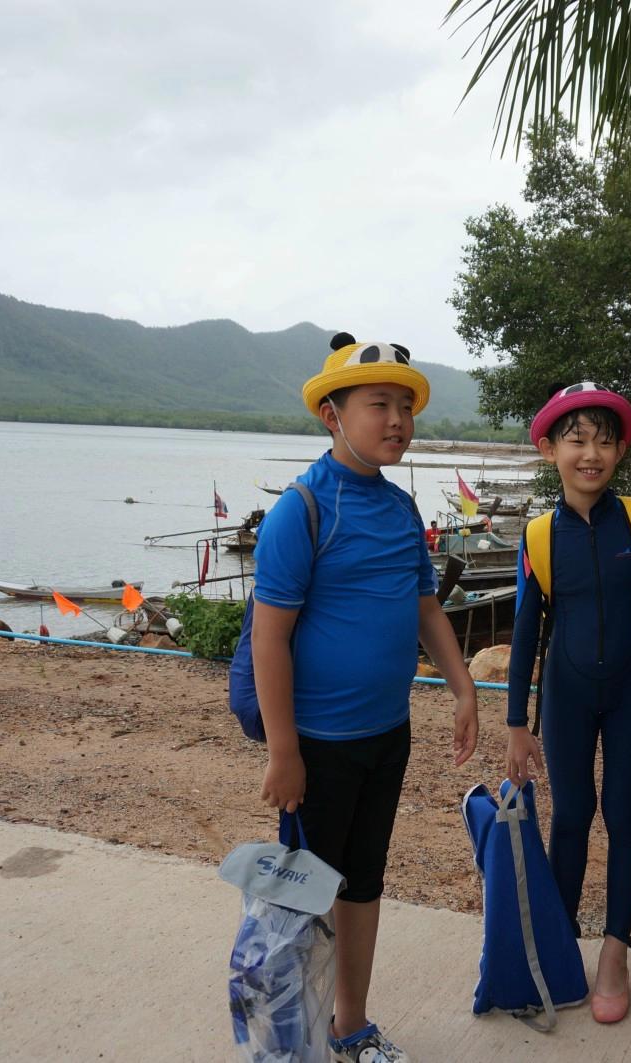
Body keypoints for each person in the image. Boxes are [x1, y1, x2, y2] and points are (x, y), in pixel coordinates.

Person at [253, 332, 479, 1063]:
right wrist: (284, 751)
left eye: (405, 407)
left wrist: (463, 686)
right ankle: (289, 1037)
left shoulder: (397, 509)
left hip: (387, 733)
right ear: (331, 414)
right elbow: (268, 639)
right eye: (378, 404)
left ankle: (350, 1024)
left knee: (363, 884)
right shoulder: (303, 509)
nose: (397, 421)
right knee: (300, 895)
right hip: (317, 744)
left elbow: (424, 607)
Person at [503, 381, 631, 1025]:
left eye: (604, 442)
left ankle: (615, 953)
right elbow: (527, 632)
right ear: (550, 449)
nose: (591, 454)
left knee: (622, 813)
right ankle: (559, 954)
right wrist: (515, 724)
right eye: (576, 440)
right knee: (571, 817)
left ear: (619, 452)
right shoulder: (537, 535)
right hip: (567, 694)